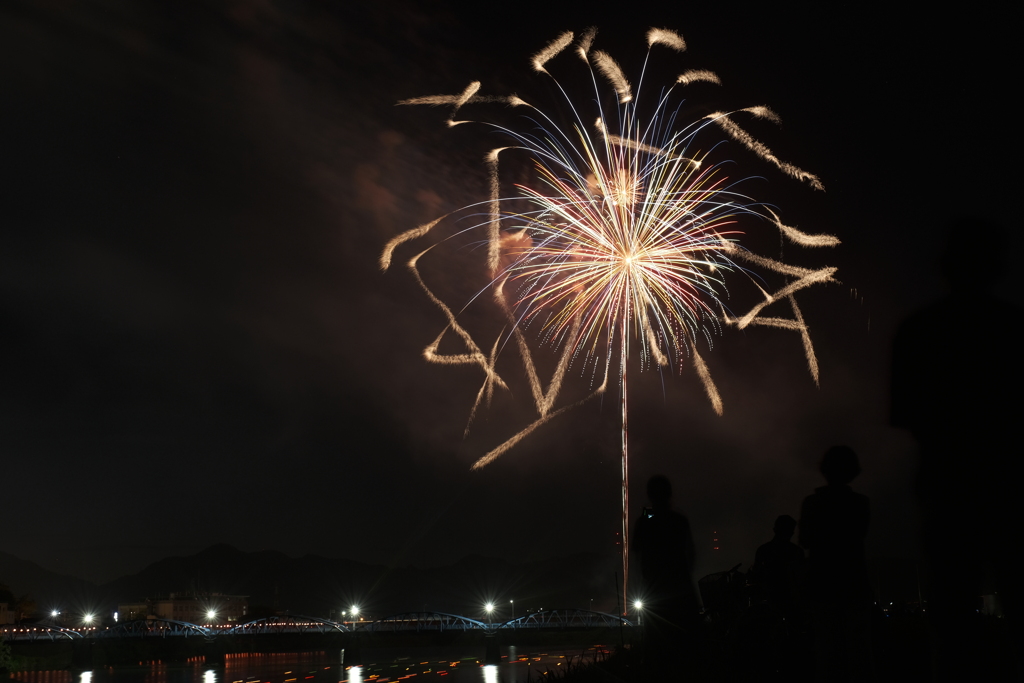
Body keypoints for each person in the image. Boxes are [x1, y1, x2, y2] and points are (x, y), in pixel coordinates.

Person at [799, 446, 874, 682]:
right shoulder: (860, 503)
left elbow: (805, 540)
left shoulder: (812, 503)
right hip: (853, 581)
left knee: (826, 648)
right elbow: (858, 534)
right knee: (856, 649)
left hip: (822, 582)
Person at [632, 475, 700, 670]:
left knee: (656, 642)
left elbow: (638, 558)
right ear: (670, 494)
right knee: (685, 643)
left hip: (655, 591)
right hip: (681, 589)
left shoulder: (644, 523)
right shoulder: (679, 521)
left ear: (649, 495)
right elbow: (691, 554)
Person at [750, 514, 805, 617]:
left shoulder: (764, 550)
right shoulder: (796, 552)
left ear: (775, 530)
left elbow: (756, 576)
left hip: (770, 602)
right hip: (791, 603)